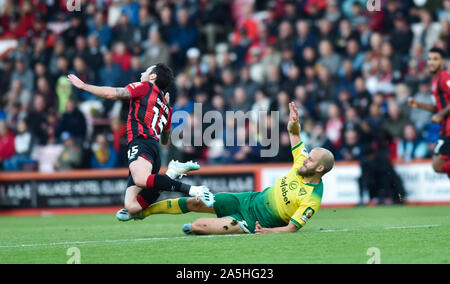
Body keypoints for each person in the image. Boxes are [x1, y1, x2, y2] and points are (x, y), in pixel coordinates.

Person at [123, 102, 335, 235]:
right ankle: (143, 212)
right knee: (194, 202)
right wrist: (294, 124)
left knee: (197, 226)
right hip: (248, 199)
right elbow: (295, 136)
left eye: (310, 161)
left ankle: (201, 229)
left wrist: (269, 232)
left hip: (253, 222)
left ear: (320, 169)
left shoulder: (312, 198)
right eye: (307, 157)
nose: (305, 160)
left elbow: (293, 228)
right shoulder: (301, 162)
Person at [66, 63, 215, 221]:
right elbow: (165, 140)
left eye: (147, 70)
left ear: (153, 77)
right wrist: (164, 110)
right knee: (132, 207)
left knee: (140, 180)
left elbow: (114, 94)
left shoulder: (145, 87)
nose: (142, 72)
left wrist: (84, 86)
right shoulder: (166, 106)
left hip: (141, 142)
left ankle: (193, 190)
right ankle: (171, 173)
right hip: (153, 150)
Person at [408, 48, 450, 177]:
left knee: (437, 165)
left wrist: (441, 115)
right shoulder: (434, 81)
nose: (431, 62)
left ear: (442, 62)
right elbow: (438, 107)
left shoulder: (444, 78)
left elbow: (440, 111)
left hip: (449, 128)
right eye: (430, 59)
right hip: (444, 128)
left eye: (435, 59)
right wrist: (419, 105)